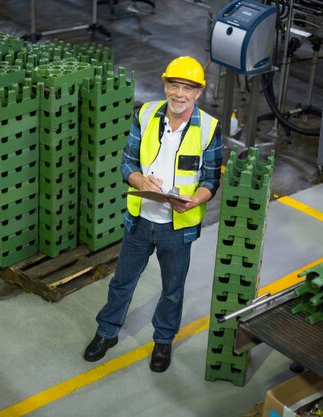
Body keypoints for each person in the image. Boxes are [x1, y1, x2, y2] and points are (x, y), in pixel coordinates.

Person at [83, 56, 223, 372]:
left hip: (177, 227)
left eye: (188, 88)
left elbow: (212, 180)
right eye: (174, 85)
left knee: (172, 291)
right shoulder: (145, 115)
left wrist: (195, 200)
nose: (179, 94)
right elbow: (127, 164)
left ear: (199, 92)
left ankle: (163, 340)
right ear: (165, 85)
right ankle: (107, 332)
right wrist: (140, 180)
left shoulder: (209, 129)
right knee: (122, 282)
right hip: (141, 220)